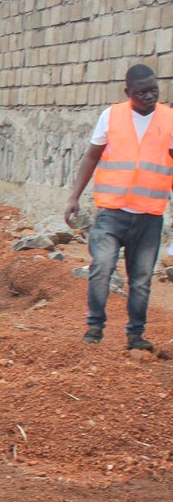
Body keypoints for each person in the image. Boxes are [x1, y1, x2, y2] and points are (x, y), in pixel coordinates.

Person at [65, 63, 173, 351]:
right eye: (142, 92)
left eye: (153, 89)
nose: (150, 96)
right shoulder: (111, 116)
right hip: (112, 213)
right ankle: (94, 328)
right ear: (128, 93)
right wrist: (74, 196)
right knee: (101, 266)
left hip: (149, 215)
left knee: (141, 279)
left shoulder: (169, 119)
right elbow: (91, 157)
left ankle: (135, 336)